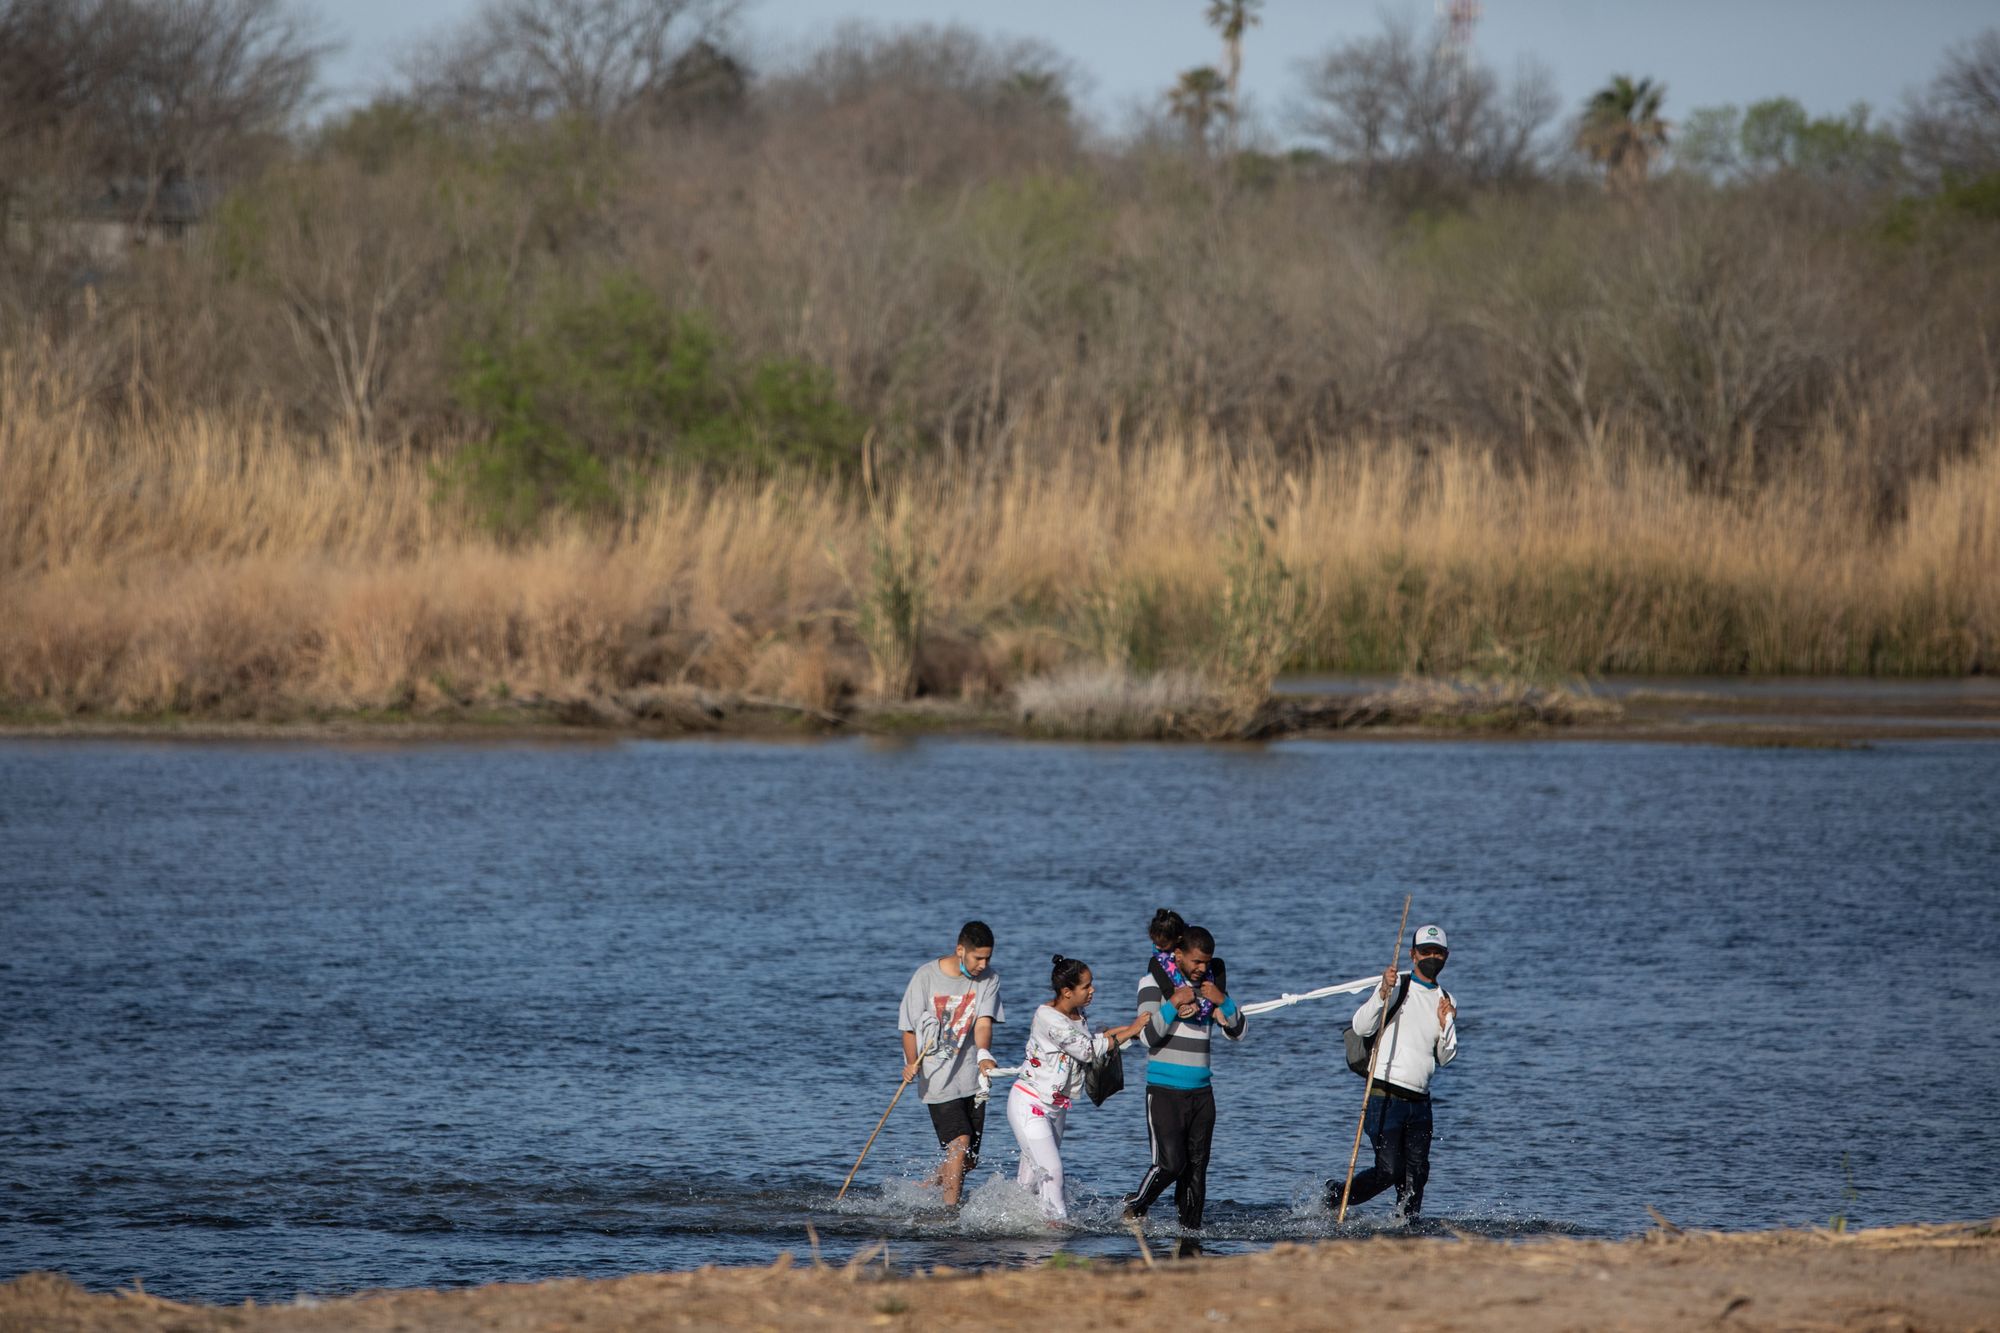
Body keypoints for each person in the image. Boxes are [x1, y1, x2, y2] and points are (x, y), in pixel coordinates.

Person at [1327, 923, 1458, 1221]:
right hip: (1385, 1095)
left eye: (1438, 952)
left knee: (1417, 1175)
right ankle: (1334, 1196)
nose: (1432, 957)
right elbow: (1361, 1026)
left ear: (1446, 957)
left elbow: (1446, 1057)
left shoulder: (1446, 999)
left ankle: (1405, 1227)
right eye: (1426, 951)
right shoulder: (1397, 985)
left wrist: (1447, 1022)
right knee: (1388, 1170)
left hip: (1420, 1102)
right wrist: (1382, 992)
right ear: (1413, 955)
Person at [1122, 924, 1246, 1242]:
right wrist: (1173, 1002)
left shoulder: (1210, 987)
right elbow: (1148, 1037)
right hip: (1164, 1090)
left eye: (1207, 962)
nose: (1202, 969)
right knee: (1170, 1164)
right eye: (1196, 962)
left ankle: (1190, 1236)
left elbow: (1239, 1032)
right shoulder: (1151, 984)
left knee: (1196, 1171)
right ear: (1178, 955)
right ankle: (1135, 1207)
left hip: (1202, 1092)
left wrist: (1224, 1002)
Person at [1005, 955, 1148, 1224]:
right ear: (1066, 991)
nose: (1092, 990)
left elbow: (1092, 1039)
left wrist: (1132, 1029)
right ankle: (1057, 1234)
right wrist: (1130, 1031)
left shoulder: (1077, 1015)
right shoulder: (1047, 1017)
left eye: (1091, 984)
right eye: (1086, 986)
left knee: (1030, 1184)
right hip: (1030, 1104)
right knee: (1053, 1171)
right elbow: (1085, 1050)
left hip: (1056, 1108)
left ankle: (1012, 1231)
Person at [898, 921, 1004, 1207]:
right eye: (977, 958)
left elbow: (983, 1023)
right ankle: (949, 1215)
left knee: (968, 1161)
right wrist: (911, 1063)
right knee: (959, 1143)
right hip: (937, 1077)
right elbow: (908, 1028)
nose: (983, 964)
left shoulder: (989, 980)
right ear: (960, 950)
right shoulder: (926, 976)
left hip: (972, 1079)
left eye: (987, 958)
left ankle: (924, 1187)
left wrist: (984, 1054)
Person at [1145, 908, 1227, 1023]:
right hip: (1172, 982)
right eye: (1155, 943)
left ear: (1177, 940)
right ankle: (1180, 1003)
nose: (1158, 948)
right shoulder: (1160, 948)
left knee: (1218, 964)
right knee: (1154, 962)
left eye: (1163, 945)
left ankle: (1218, 1006)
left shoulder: (1189, 938)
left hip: (1189, 962)